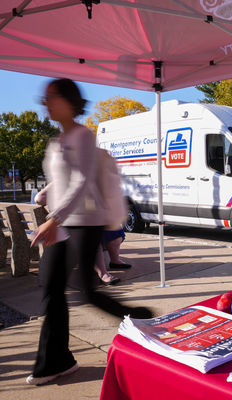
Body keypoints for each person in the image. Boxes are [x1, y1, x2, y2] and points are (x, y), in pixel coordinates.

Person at [28, 78, 152, 386]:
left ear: (68, 101)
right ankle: (57, 362)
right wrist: (46, 200)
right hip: (64, 220)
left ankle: (143, 318)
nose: (45, 102)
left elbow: (81, 180)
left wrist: (53, 219)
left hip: (85, 220)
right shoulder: (57, 140)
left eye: (51, 97)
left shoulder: (82, 135)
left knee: (87, 292)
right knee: (51, 287)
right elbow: (62, 180)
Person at [35, 184, 120, 285]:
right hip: (66, 229)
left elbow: (39, 199)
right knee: (93, 236)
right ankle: (103, 273)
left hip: (58, 230)